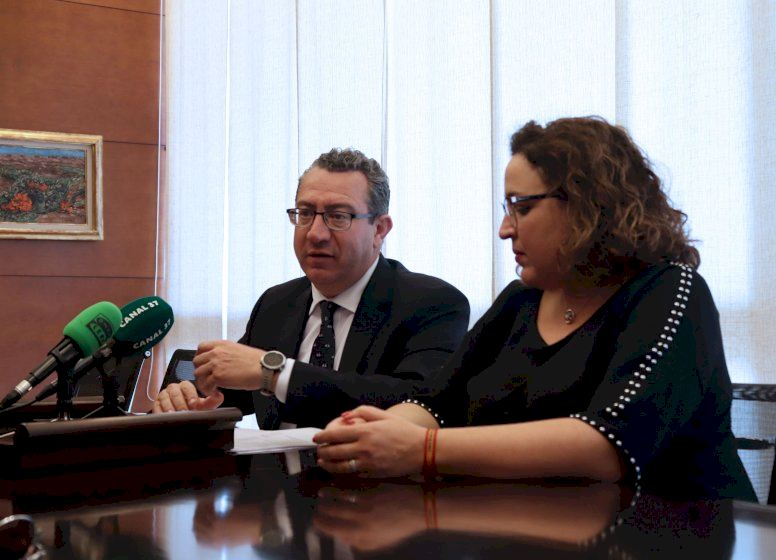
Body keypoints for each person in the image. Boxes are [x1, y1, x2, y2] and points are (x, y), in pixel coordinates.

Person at [313, 117, 756, 501]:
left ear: (589, 206)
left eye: (522, 208)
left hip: (680, 536)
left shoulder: (669, 291)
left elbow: (608, 445)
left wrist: (422, 450)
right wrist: (370, 433)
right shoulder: (519, 302)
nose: (505, 229)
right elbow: (437, 403)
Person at [153, 148, 470, 429]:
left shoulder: (430, 303)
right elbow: (233, 388)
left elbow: (419, 401)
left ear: (379, 229)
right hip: (276, 477)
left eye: (338, 216)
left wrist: (276, 374)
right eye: (305, 214)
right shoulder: (277, 303)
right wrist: (189, 397)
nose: (316, 233)